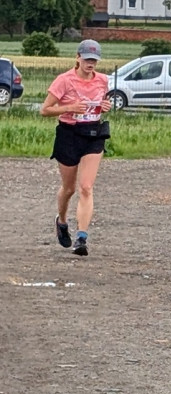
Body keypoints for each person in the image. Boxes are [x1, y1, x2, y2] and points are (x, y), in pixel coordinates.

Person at [41, 39, 111, 257]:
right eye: (88, 59)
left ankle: (82, 237)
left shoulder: (102, 80)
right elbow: (45, 109)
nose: (91, 64)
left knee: (86, 187)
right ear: (78, 58)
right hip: (69, 133)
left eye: (95, 60)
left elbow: (100, 105)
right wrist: (70, 107)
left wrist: (104, 107)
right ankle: (61, 221)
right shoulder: (64, 80)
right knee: (69, 188)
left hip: (93, 134)